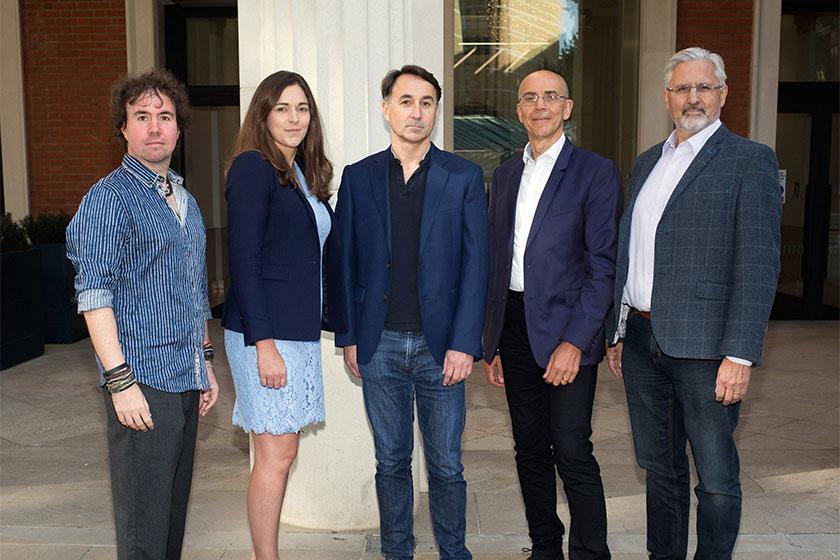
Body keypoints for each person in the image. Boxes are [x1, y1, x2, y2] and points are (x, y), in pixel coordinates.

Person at [605, 47, 783, 560]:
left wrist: (741, 354)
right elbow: (632, 251)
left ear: (723, 94)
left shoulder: (750, 160)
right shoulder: (646, 163)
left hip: (708, 349)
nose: (693, 97)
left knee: (717, 477)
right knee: (660, 470)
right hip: (641, 343)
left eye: (704, 87)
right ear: (666, 98)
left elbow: (757, 264)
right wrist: (617, 330)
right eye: (682, 88)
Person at [334, 65, 488, 560]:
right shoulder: (358, 178)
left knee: (446, 465)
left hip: (441, 347)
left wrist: (466, 342)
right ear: (386, 109)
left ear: (436, 111)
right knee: (391, 461)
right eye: (406, 101)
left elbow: (476, 266)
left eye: (426, 102)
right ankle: (396, 551)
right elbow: (345, 262)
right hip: (378, 346)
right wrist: (350, 337)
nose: (416, 112)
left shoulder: (462, 177)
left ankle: (453, 552)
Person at [66, 69, 219, 559]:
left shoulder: (187, 203)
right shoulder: (108, 199)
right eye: (142, 117)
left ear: (179, 128)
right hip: (141, 383)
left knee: (171, 520)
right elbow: (94, 295)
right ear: (124, 129)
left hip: (185, 378)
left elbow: (194, 290)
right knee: (142, 531)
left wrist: (206, 360)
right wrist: (119, 381)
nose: (155, 127)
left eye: (165, 117)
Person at [482, 70, 621, 560]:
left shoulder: (595, 171)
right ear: (519, 111)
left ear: (567, 107)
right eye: (529, 98)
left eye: (550, 97)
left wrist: (575, 343)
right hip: (514, 330)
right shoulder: (503, 175)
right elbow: (497, 264)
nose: (540, 105)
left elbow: (603, 266)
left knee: (572, 451)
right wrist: (493, 341)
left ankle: (590, 553)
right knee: (528, 449)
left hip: (567, 330)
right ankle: (545, 546)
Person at [221, 70, 347, 560]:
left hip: (294, 330)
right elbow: (245, 261)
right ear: (263, 115)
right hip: (266, 333)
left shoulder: (299, 173)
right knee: (276, 455)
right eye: (282, 109)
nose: (294, 118)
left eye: (302, 109)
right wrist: (264, 345)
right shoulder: (253, 167)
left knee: (281, 452)